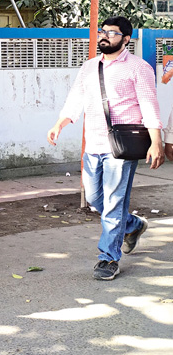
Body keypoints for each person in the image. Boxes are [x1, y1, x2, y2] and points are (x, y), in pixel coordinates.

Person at [47, 16, 164, 281]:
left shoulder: (138, 67)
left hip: (121, 147)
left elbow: (148, 105)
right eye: (103, 31)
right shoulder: (89, 67)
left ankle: (108, 258)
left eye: (112, 33)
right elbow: (76, 98)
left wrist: (156, 142)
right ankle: (133, 225)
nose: (105, 36)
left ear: (125, 39)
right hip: (94, 144)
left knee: (112, 203)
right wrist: (59, 124)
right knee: (94, 199)